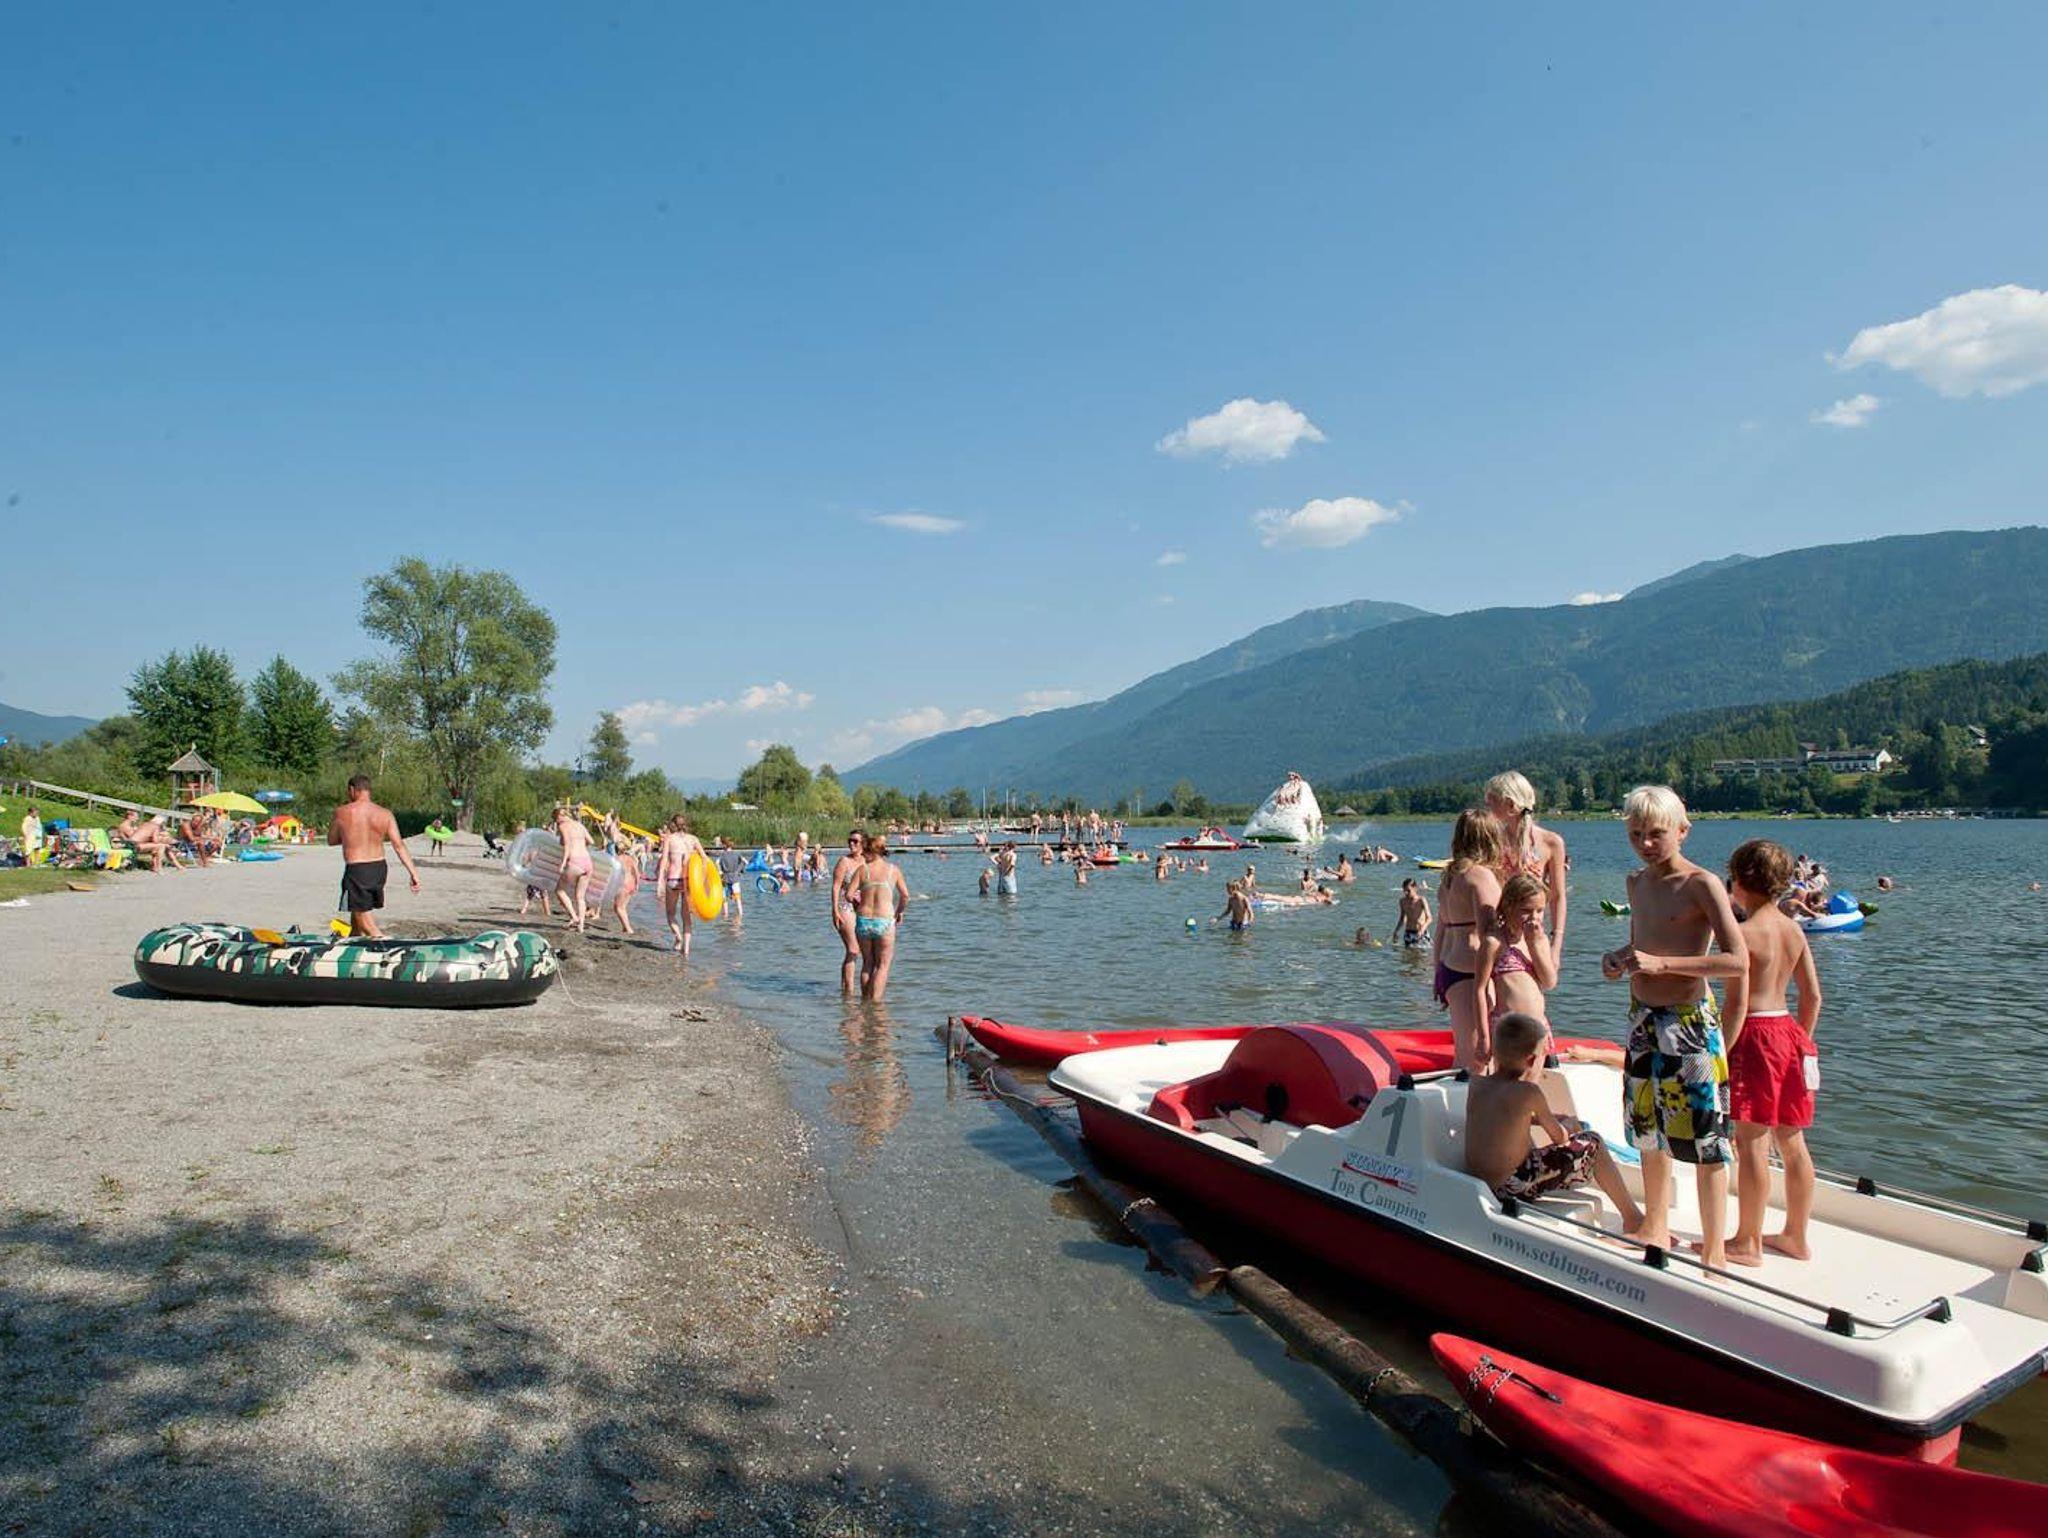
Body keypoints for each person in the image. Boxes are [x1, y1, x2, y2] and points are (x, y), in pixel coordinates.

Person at [1600, 785, 1747, 1270]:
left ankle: (1714, 1249)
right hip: (1643, 1017)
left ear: (1682, 831)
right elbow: (1641, 944)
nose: (1645, 844)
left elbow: (1736, 961)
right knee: (1647, 1128)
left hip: (1688, 1023)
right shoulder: (1636, 883)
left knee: (1706, 1136)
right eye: (1635, 834)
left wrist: (1663, 965)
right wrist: (1620, 959)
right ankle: (1655, 1225)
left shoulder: (1702, 884)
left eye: (1655, 834)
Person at [1723, 839, 1822, 1266]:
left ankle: (1748, 1240)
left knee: (1751, 1142)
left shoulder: (1742, 936)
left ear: (1739, 882)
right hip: (1788, 1033)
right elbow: (1812, 996)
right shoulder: (1793, 929)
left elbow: (1736, 1005)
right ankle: (1796, 1234)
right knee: (1792, 1139)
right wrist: (1803, 1041)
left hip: (1755, 1034)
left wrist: (1720, 1055)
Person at [1466, 1014, 1645, 1231]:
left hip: (1479, 1181)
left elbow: (1501, 1118)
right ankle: (1632, 1217)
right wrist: (1568, 1124)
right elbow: (1559, 1137)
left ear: (1495, 1051)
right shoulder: (1528, 1092)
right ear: (1531, 1061)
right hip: (1511, 1186)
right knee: (1593, 1141)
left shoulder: (1476, 1084)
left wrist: (1535, 1120)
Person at [1433, 809, 1506, 1070]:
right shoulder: (1480, 876)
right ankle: (1472, 1098)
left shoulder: (1449, 877)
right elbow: (1489, 932)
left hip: (1449, 968)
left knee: (1463, 1052)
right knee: (1478, 1059)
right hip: (1473, 971)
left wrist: (1437, 974)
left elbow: (1440, 931)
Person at [1485, 771, 1570, 960]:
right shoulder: (1492, 842)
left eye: (1492, 802)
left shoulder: (1551, 842)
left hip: (1533, 935)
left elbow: (1557, 897)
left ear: (1510, 804)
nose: (1487, 808)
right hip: (1498, 935)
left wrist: (1556, 946)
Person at [328, 774, 422, 938]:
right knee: (357, 913)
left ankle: (384, 943)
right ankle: (354, 941)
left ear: (352, 790)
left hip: (357, 869)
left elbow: (332, 840)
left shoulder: (342, 812)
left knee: (365, 921)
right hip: (379, 868)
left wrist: (350, 834)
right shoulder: (385, 814)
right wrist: (413, 873)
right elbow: (398, 845)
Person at [1489, 873, 1559, 1061]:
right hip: (1509, 1028)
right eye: (1526, 910)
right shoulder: (1497, 942)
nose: (1534, 917)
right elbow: (1481, 989)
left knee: (1533, 1075)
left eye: (1540, 910)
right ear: (1508, 906)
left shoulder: (1540, 940)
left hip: (1537, 1026)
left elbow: (1549, 982)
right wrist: (1483, 1035)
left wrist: (1533, 944)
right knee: (1509, 1075)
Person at [842, 832, 909, 1000]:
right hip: (884, 921)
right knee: (882, 966)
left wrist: (857, 905)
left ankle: (865, 1001)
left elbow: (848, 895)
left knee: (867, 963)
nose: (863, 855)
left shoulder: (862, 870)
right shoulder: (893, 870)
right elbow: (905, 895)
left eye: (865, 851)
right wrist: (899, 912)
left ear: (872, 852)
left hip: (863, 921)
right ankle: (875, 1005)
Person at [656, 815, 706, 954]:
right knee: (687, 918)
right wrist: (702, 878)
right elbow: (704, 858)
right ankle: (686, 950)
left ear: (673, 824)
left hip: (673, 879)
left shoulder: (669, 839)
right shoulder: (693, 839)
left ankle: (678, 937)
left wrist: (660, 881)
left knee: (670, 914)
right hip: (689, 881)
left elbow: (664, 860)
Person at [831, 831, 867, 993]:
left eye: (855, 841)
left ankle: (852, 990)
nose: (851, 844)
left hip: (864, 907)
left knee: (864, 952)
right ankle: (849, 992)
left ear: (863, 843)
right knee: (853, 949)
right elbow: (836, 887)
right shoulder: (844, 862)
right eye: (849, 841)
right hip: (845, 906)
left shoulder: (868, 860)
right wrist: (834, 910)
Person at [552, 806, 595, 932]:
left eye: (555, 819)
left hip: (575, 862)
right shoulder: (579, 825)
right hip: (587, 862)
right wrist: (580, 844)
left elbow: (567, 846)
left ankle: (574, 917)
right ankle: (581, 926)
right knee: (580, 897)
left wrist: (562, 863)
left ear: (560, 816)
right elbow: (591, 841)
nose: (556, 822)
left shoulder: (563, 826)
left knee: (559, 890)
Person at [608, 838, 641, 935]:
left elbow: (613, 873)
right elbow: (636, 873)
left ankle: (628, 929)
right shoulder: (631, 859)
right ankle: (625, 927)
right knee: (623, 907)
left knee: (618, 907)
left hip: (622, 884)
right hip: (631, 883)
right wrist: (637, 884)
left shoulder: (616, 859)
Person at [716, 836, 748, 918]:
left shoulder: (722, 855)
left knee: (724, 899)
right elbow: (745, 862)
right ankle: (740, 916)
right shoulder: (737, 854)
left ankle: (725, 916)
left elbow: (717, 864)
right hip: (735, 878)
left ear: (724, 845)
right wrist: (739, 870)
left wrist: (720, 872)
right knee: (738, 899)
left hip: (725, 878)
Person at [1395, 878, 1432, 948]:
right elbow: (1402, 918)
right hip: (1408, 933)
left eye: (1408, 891)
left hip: (1421, 933)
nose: (1406, 893)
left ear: (1415, 888)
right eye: (1404, 891)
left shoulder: (1421, 900)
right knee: (1407, 954)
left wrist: (1422, 930)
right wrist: (1396, 931)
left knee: (1422, 954)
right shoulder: (1402, 901)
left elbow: (1429, 918)